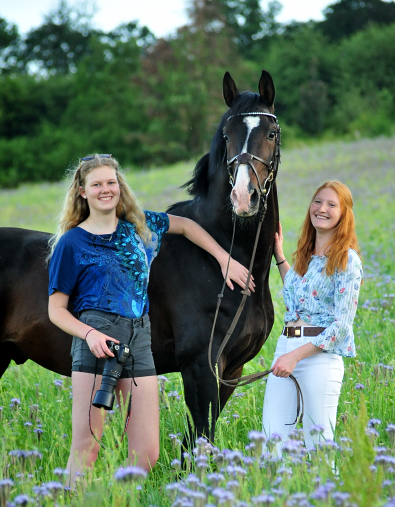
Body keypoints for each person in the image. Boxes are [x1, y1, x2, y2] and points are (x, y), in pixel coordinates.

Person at [48, 153, 255, 486]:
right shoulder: (72, 242)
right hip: (96, 340)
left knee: (146, 454)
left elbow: (186, 226)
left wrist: (223, 258)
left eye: (111, 182)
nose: (106, 189)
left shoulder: (141, 226)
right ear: (82, 191)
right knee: (86, 445)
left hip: (139, 341)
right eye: (96, 184)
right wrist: (88, 335)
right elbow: (55, 309)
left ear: (120, 186)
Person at [262, 180, 362, 452]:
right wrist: (279, 256)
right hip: (286, 346)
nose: (322, 208)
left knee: (319, 447)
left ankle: (327, 494)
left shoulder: (346, 260)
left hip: (319, 357)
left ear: (344, 214)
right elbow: (297, 290)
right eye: (318, 201)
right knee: (272, 444)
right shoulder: (307, 256)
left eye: (332, 204)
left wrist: (294, 357)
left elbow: (341, 327)